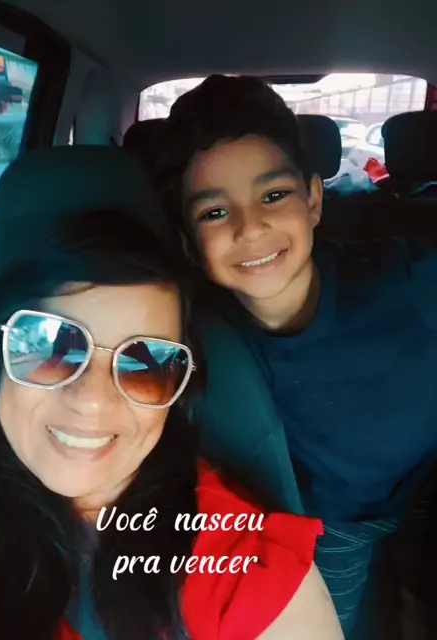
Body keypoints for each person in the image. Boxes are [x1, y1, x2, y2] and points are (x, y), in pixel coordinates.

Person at [0, 207, 342, 640]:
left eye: (146, 366)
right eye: (52, 346)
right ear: (0, 352)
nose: (92, 400)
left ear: (177, 394)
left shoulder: (232, 565)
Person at [153, 74, 437, 637]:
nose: (251, 227)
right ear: (187, 241)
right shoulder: (193, 336)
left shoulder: (407, 280)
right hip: (330, 522)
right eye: (214, 213)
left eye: (273, 196)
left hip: (427, 488)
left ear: (313, 200)